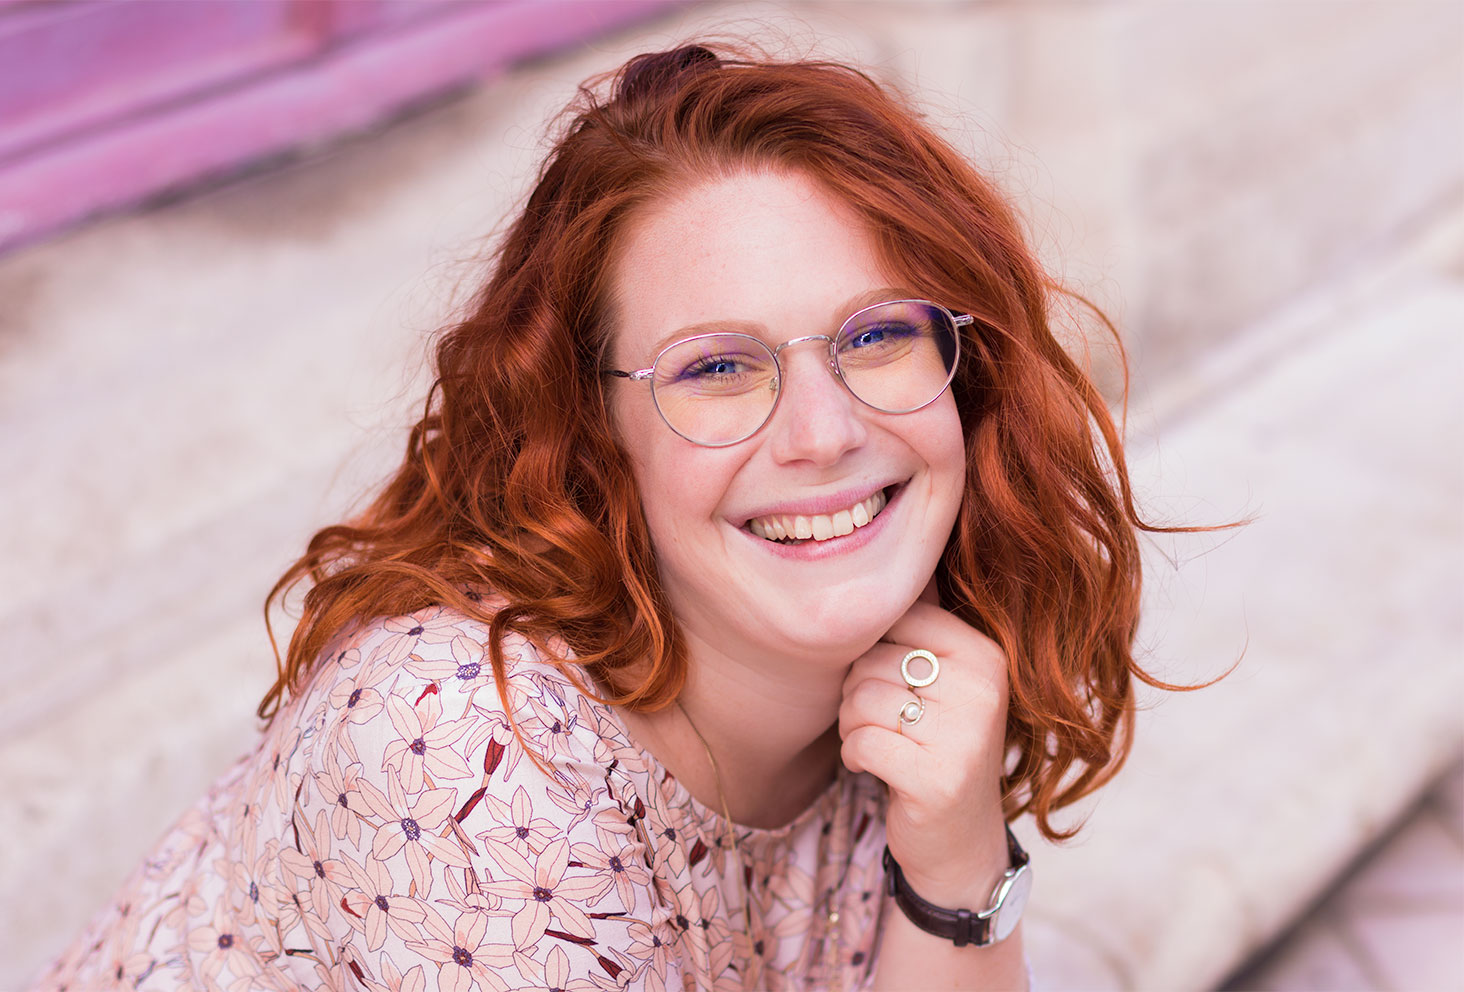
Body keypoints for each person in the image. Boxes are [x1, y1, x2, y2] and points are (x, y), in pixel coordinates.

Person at [38, 42, 1181, 991]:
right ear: (598, 440)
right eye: (718, 367)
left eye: (876, 334)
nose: (823, 430)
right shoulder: (465, 760)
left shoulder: (894, 694)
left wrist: (957, 858)